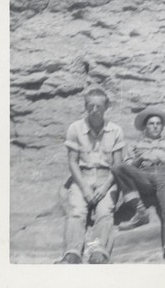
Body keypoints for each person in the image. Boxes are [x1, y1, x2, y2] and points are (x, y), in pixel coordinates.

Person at [58, 88, 125, 264]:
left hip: (107, 178)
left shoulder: (115, 130)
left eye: (99, 106)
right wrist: (85, 189)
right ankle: (72, 253)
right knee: (77, 211)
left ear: (106, 107)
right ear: (86, 106)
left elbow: (117, 165)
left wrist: (104, 188)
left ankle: (98, 251)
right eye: (90, 105)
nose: (94, 110)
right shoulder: (75, 128)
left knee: (104, 212)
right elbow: (73, 162)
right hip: (82, 177)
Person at [111, 108, 165, 263]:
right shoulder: (135, 145)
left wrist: (161, 158)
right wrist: (139, 160)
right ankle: (140, 210)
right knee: (117, 168)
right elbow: (127, 165)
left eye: (158, 123)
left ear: (162, 127)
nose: (155, 126)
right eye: (151, 123)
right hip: (143, 176)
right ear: (145, 127)